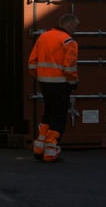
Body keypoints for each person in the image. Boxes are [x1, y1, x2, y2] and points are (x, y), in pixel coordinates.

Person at [28, 13, 80, 163]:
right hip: (61, 85)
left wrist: (40, 76)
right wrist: (73, 82)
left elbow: (32, 62)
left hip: (45, 84)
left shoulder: (43, 37)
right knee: (58, 118)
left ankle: (39, 148)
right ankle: (50, 152)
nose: (75, 30)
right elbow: (69, 66)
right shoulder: (69, 41)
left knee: (48, 115)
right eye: (75, 26)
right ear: (69, 25)